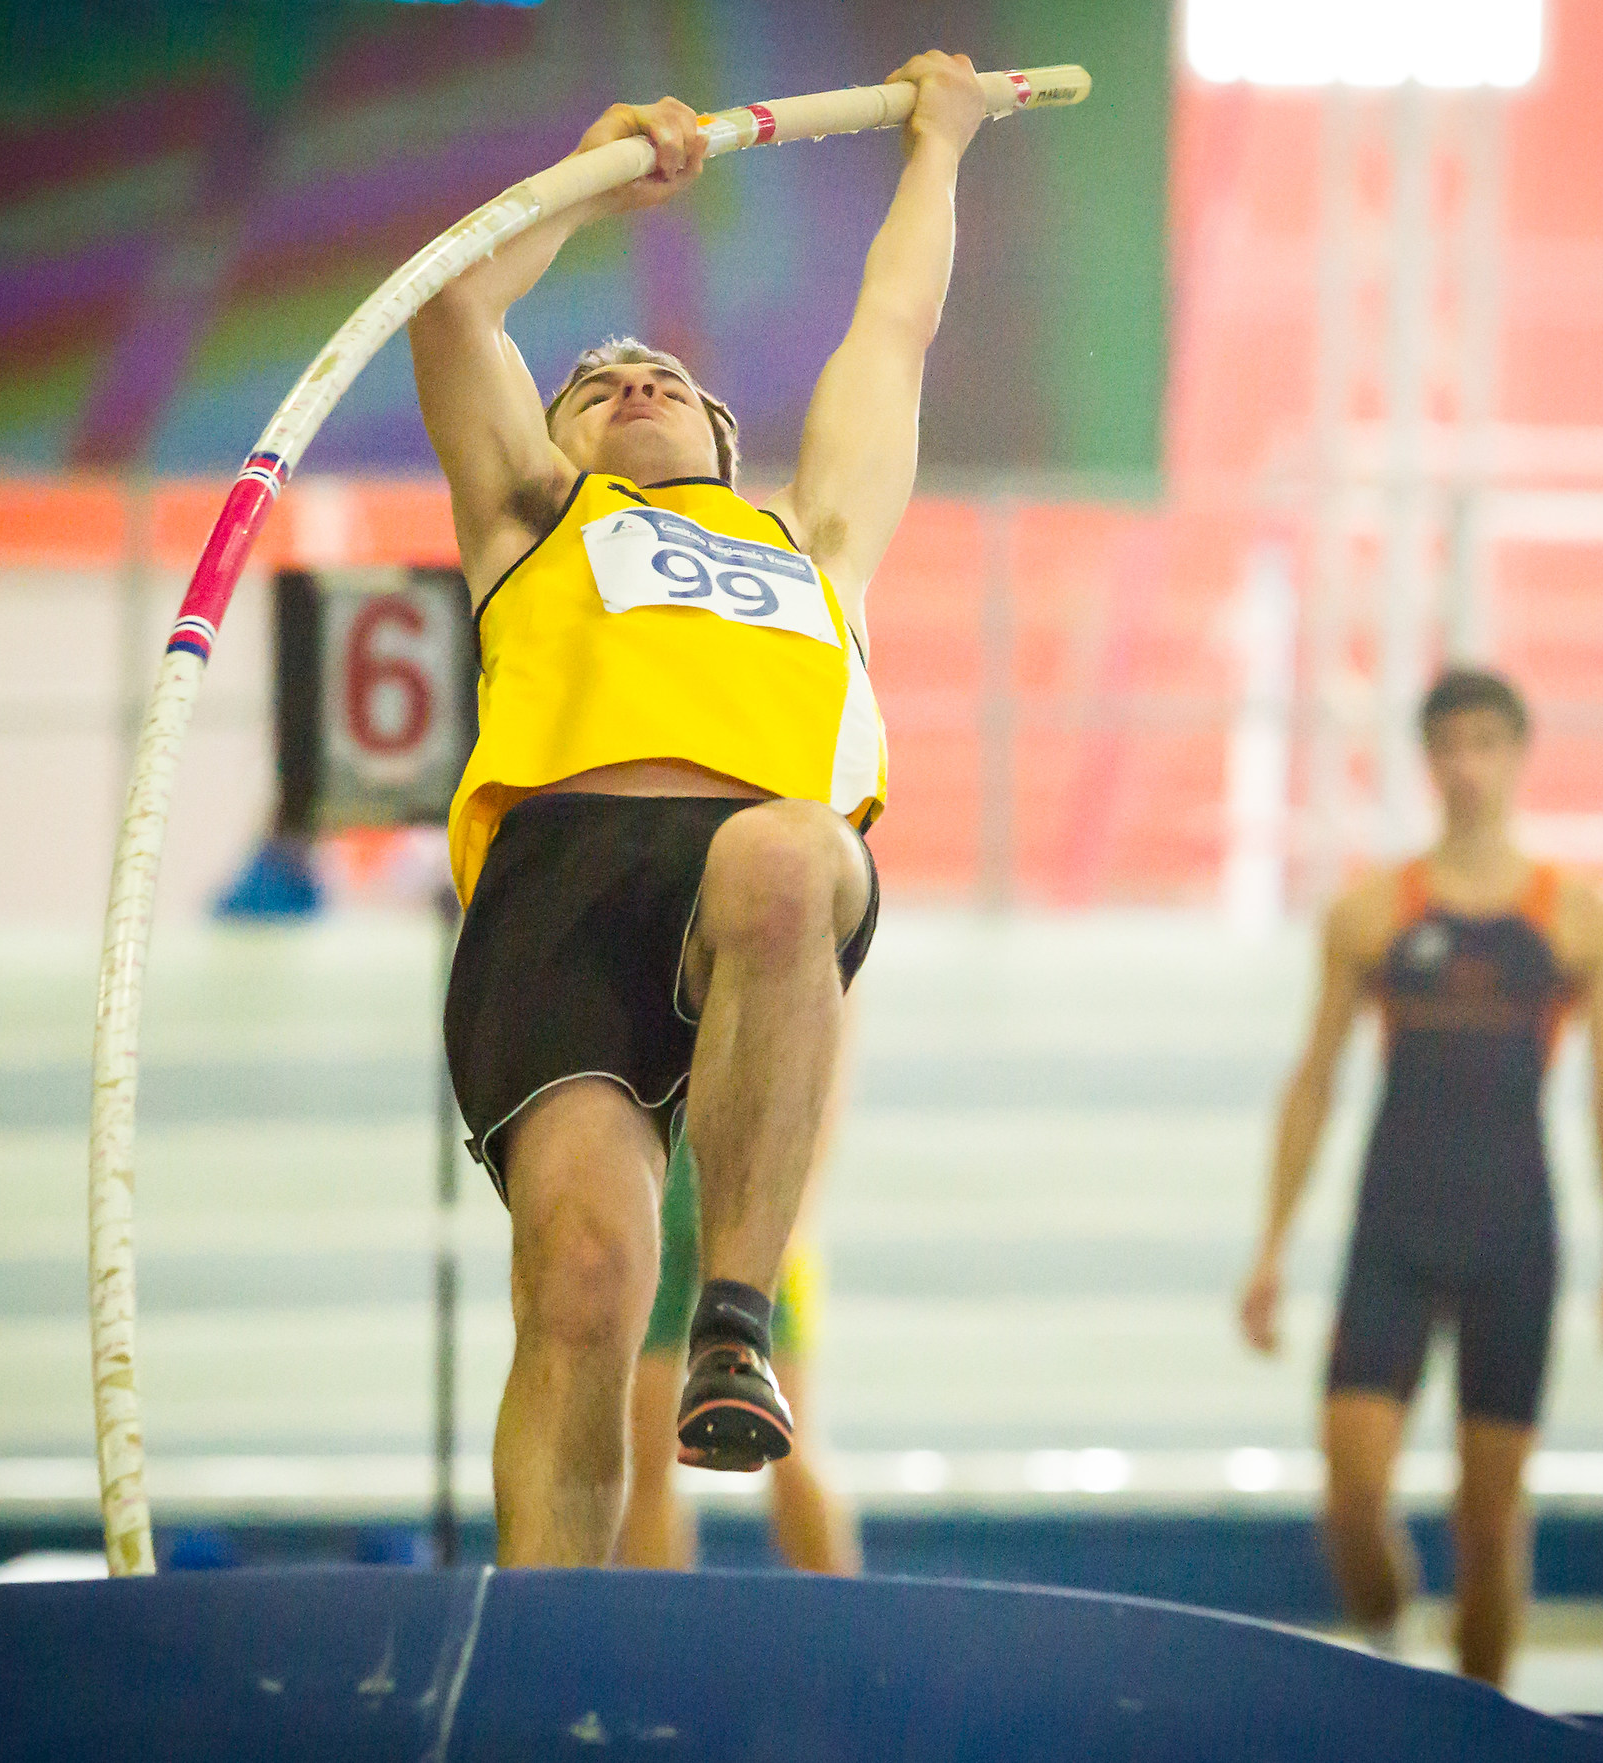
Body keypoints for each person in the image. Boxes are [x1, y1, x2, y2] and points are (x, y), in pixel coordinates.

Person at [409, 54, 988, 1568]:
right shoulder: (536, 520)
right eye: (596, 384)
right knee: (583, 1288)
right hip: (561, 891)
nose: (636, 382)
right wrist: (586, 177)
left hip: (751, 878)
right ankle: (545, 1644)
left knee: (793, 853)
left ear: (729, 446)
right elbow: (454, 309)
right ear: (557, 437)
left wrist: (939, 144)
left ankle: (736, 1316)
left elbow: (894, 327)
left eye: (667, 379)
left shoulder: (816, 546)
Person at [1236, 668, 1603, 1686]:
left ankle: (1479, 1724)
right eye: (1449, 745)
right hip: (1396, 1229)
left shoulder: (1579, 918)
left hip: (1513, 1235)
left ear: (1517, 755)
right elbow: (1314, 1080)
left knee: (1490, 1516)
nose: (1467, 766)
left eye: (1486, 744)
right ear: (1427, 759)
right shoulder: (1371, 912)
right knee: (1352, 1492)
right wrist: (1271, 1249)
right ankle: (1389, 1641)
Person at [617, 1132, 860, 1575]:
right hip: (668, 1202)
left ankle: (842, 1610)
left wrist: (798, 1196)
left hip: (753, 1206)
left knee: (790, 1445)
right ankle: (655, 1616)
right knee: (648, 1457)